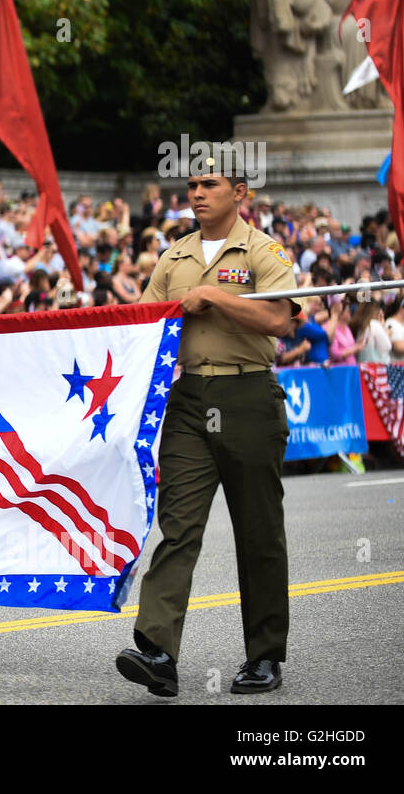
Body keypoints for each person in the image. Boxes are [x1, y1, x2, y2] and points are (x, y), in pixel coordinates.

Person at [115, 161, 297, 697]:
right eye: (191, 185)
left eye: (209, 185)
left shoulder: (264, 252)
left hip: (247, 396)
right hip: (189, 399)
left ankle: (264, 657)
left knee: (258, 532)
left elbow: (278, 320)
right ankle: (156, 649)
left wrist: (214, 296)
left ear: (239, 192)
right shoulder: (175, 255)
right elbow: (141, 327)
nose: (196, 194)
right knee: (179, 527)